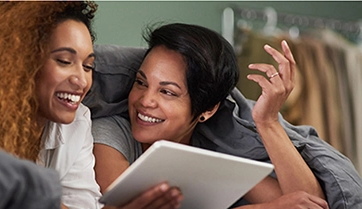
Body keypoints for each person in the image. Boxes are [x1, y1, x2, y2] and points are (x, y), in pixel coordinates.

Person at [89, 23, 360, 209]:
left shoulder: (213, 156)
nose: (145, 101)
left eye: (168, 92)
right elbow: (126, 206)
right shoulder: (110, 133)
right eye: (140, 82)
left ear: (207, 110)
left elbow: (309, 204)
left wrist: (267, 122)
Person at [0, 2, 182, 209]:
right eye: (64, 61)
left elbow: (83, 204)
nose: (81, 80)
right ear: (19, 61)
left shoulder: (77, 123)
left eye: (88, 66)